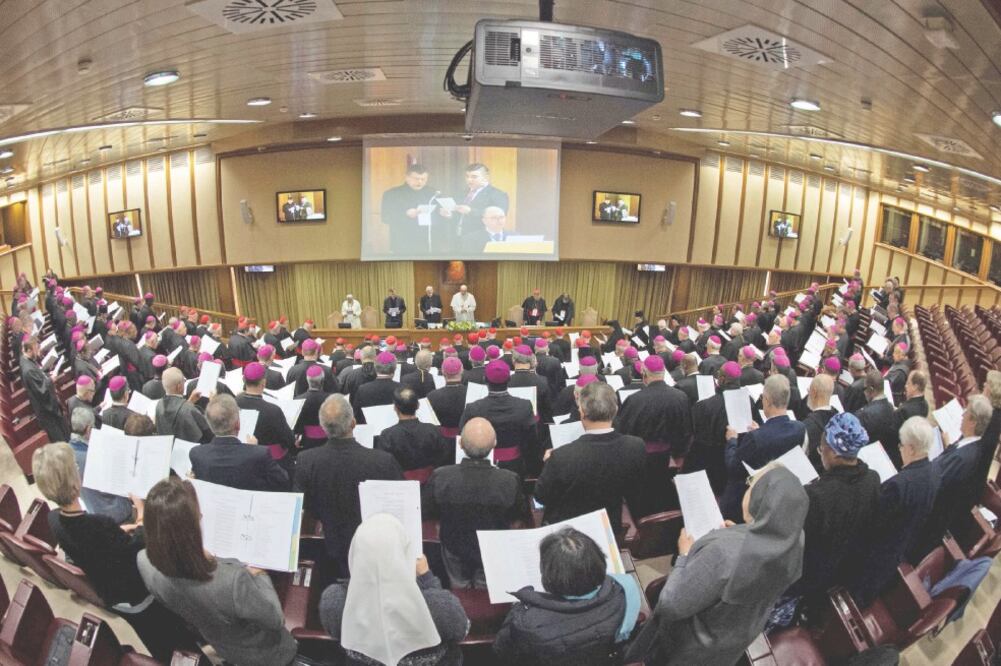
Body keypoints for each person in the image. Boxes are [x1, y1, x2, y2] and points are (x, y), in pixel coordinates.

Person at [627, 465, 807, 666]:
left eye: (751, 484)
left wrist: (684, 554)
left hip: (690, 645)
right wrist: (741, 532)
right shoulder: (795, 539)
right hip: (734, 641)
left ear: (760, 500)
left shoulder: (724, 553)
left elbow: (670, 605)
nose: (747, 489)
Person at [32, 443, 195, 662]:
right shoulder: (98, 525)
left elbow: (97, 542)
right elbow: (136, 544)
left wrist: (118, 532)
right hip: (136, 593)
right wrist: (140, 511)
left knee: (152, 637)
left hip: (110, 593)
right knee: (173, 638)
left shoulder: (53, 519)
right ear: (74, 482)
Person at [136, 478, 301, 666]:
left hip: (222, 644)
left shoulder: (143, 561)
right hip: (266, 654)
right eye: (199, 516)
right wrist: (260, 574)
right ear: (190, 531)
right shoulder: (231, 581)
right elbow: (275, 619)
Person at [769, 413, 880, 629]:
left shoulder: (817, 497)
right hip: (838, 568)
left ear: (833, 452)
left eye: (821, 449)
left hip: (806, 573)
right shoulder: (873, 479)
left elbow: (794, 540)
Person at [319, 514, 469, 666]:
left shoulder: (334, 602)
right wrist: (428, 579)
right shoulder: (439, 606)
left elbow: (335, 633)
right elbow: (462, 631)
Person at [493, 527, 641, 665]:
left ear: (548, 576)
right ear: (599, 561)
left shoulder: (526, 620)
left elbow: (502, 652)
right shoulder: (625, 587)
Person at [294, 394, 403, 578]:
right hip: (373, 548)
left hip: (327, 547)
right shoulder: (382, 461)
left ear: (323, 427)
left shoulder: (306, 460)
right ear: (353, 423)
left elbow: (304, 503)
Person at [848, 416, 941, 607]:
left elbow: (873, 522)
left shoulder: (899, 485)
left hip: (875, 554)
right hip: (900, 547)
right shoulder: (933, 473)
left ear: (912, 448)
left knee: (858, 594)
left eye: (901, 445)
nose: (899, 449)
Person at [535, 382, 645, 535]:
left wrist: (549, 464)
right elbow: (634, 487)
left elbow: (541, 496)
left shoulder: (560, 457)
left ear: (581, 412)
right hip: (608, 524)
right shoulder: (636, 446)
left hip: (568, 531)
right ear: (615, 410)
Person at [909, 395, 993, 563]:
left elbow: (936, 482)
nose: (961, 415)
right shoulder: (969, 443)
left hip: (927, 516)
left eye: (966, 412)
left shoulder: (965, 456)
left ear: (973, 422)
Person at [612, 355, 692, 515]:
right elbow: (686, 429)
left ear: (645, 374)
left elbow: (623, 431)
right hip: (669, 458)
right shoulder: (680, 397)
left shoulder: (635, 399)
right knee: (662, 489)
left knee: (643, 496)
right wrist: (678, 454)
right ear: (663, 373)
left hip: (641, 459)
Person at [722, 375, 806, 521]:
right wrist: (761, 430)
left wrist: (732, 440)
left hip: (752, 497)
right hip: (781, 494)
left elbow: (733, 467)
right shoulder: (800, 428)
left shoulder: (754, 438)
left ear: (766, 400)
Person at [190, 394, 289, 491]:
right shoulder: (259, 454)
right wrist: (253, 450)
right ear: (237, 424)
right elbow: (283, 481)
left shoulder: (196, 454)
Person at [458, 360, 537, 476]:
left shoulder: (473, 408)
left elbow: (463, 436)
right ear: (509, 379)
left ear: (485, 379)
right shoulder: (524, 406)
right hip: (515, 465)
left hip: (480, 466)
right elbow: (531, 440)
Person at [376, 387, 451, 474]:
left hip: (399, 483)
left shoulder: (387, 435)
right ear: (418, 405)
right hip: (431, 481)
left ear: (395, 408)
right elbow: (444, 456)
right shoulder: (433, 430)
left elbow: (384, 463)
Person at [19, 336, 70, 441]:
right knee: (62, 439)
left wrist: (46, 375)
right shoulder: (28, 370)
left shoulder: (27, 360)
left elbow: (39, 378)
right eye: (36, 349)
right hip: (47, 413)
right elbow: (42, 391)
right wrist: (51, 380)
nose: (38, 351)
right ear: (28, 350)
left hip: (47, 410)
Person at [380, 164, 437, 255]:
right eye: (416, 178)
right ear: (407, 177)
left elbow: (438, 216)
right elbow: (385, 217)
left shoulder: (432, 193)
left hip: (427, 242)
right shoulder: (391, 194)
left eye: (423, 179)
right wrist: (405, 214)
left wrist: (445, 213)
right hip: (402, 242)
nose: (420, 182)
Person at [441, 162, 509, 238]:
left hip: (481, 238)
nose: (469, 180)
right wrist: (449, 215)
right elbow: (460, 216)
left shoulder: (498, 194)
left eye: (474, 177)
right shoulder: (461, 193)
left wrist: (470, 211)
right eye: (467, 176)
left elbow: (498, 218)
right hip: (458, 237)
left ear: (486, 177)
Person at [854, 369, 900, 467]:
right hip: (885, 459)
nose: (864, 392)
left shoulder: (863, 415)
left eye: (864, 389)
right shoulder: (892, 408)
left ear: (871, 389)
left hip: (866, 461)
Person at [155, 368, 213, 443]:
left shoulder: (159, 405)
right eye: (184, 381)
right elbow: (209, 431)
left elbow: (176, 415)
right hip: (191, 450)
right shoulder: (189, 409)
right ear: (179, 386)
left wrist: (189, 402)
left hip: (169, 449)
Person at [294, 365, 332, 450]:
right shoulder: (331, 399)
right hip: (328, 440)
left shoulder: (299, 399)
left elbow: (296, 424)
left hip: (306, 441)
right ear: (322, 380)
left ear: (307, 380)